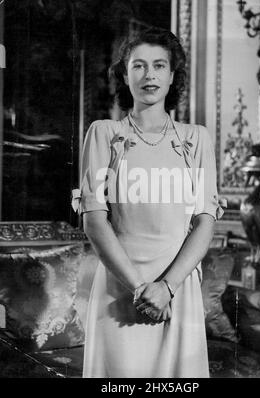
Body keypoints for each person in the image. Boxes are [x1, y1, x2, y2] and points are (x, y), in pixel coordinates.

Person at [71, 26, 224, 378]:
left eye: (159, 65)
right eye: (138, 65)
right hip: (119, 292)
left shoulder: (196, 139)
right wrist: (141, 290)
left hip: (177, 290)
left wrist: (166, 288)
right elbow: (94, 220)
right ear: (125, 75)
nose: (149, 74)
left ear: (173, 76)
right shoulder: (104, 135)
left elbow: (205, 222)